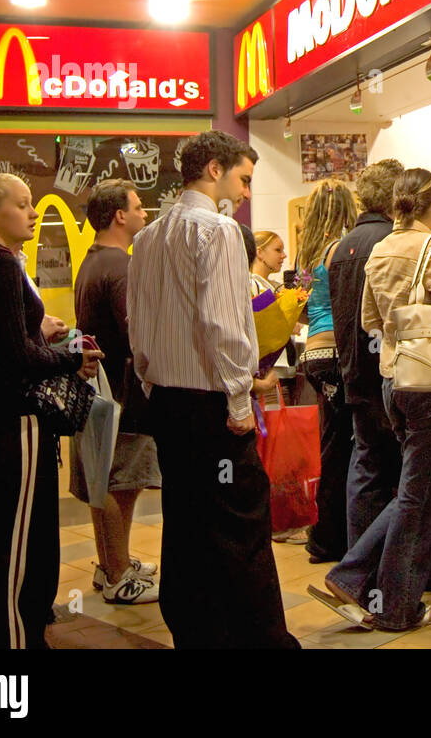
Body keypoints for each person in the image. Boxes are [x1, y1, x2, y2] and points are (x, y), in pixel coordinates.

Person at [127, 130, 298, 649]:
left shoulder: (147, 237)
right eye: (244, 179)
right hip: (213, 407)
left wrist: (150, 383)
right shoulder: (219, 231)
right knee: (242, 529)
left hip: (169, 402)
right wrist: (240, 400)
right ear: (215, 169)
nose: (246, 192)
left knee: (185, 526)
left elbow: (137, 323)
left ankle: (198, 635)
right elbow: (224, 326)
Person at [0, 173, 102, 649]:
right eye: (23, 205)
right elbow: (17, 359)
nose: (33, 214)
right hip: (13, 421)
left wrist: (36, 337)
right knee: (17, 549)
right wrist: (73, 358)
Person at [314, 168, 431, 631]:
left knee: (411, 491)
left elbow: (369, 318)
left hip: (393, 381)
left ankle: (364, 580)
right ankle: (391, 602)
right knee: (419, 497)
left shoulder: (381, 249)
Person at [71, 179, 161, 604]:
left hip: (98, 389)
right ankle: (120, 571)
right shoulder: (121, 266)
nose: (145, 214)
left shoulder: (92, 262)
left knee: (102, 474)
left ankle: (110, 562)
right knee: (119, 481)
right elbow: (135, 332)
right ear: (119, 215)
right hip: (124, 392)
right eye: (139, 207)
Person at [294, 179, 357, 562]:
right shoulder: (340, 250)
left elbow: (298, 306)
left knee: (330, 445)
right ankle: (328, 538)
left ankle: (323, 532)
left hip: (313, 356)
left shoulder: (307, 254)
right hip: (336, 354)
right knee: (342, 450)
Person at [242, 225, 300, 542]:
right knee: (268, 449)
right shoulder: (255, 286)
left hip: (266, 374)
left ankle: (275, 513)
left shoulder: (269, 286)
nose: (283, 256)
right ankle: (274, 516)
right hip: (261, 378)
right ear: (259, 251)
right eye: (277, 250)